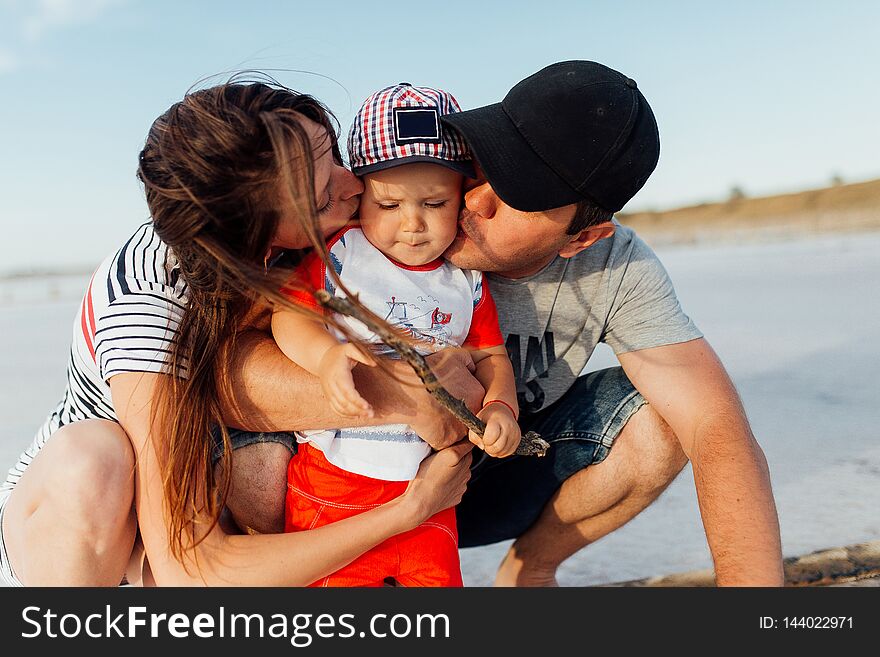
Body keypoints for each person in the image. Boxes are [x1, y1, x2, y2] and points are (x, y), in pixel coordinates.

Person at [0, 79, 474, 586]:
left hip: (208, 483)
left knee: (267, 467)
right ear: (251, 230)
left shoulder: (300, 232)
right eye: (320, 199)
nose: (353, 185)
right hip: (101, 529)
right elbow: (191, 570)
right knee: (91, 462)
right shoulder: (149, 308)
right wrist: (410, 510)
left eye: (333, 153)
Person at [441, 60, 784, 586]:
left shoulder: (616, 264)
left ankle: (530, 569)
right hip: (346, 487)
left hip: (495, 479)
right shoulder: (392, 214)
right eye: (486, 162)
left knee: (664, 418)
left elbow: (715, 427)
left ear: (582, 238)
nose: (472, 201)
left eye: (519, 196)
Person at [273, 83, 520, 587]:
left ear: (463, 198)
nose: (411, 225)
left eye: (433, 203)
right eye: (388, 206)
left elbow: (491, 354)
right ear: (359, 195)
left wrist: (500, 407)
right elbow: (288, 316)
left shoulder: (465, 280)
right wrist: (325, 358)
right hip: (335, 482)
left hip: (433, 488)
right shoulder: (343, 255)